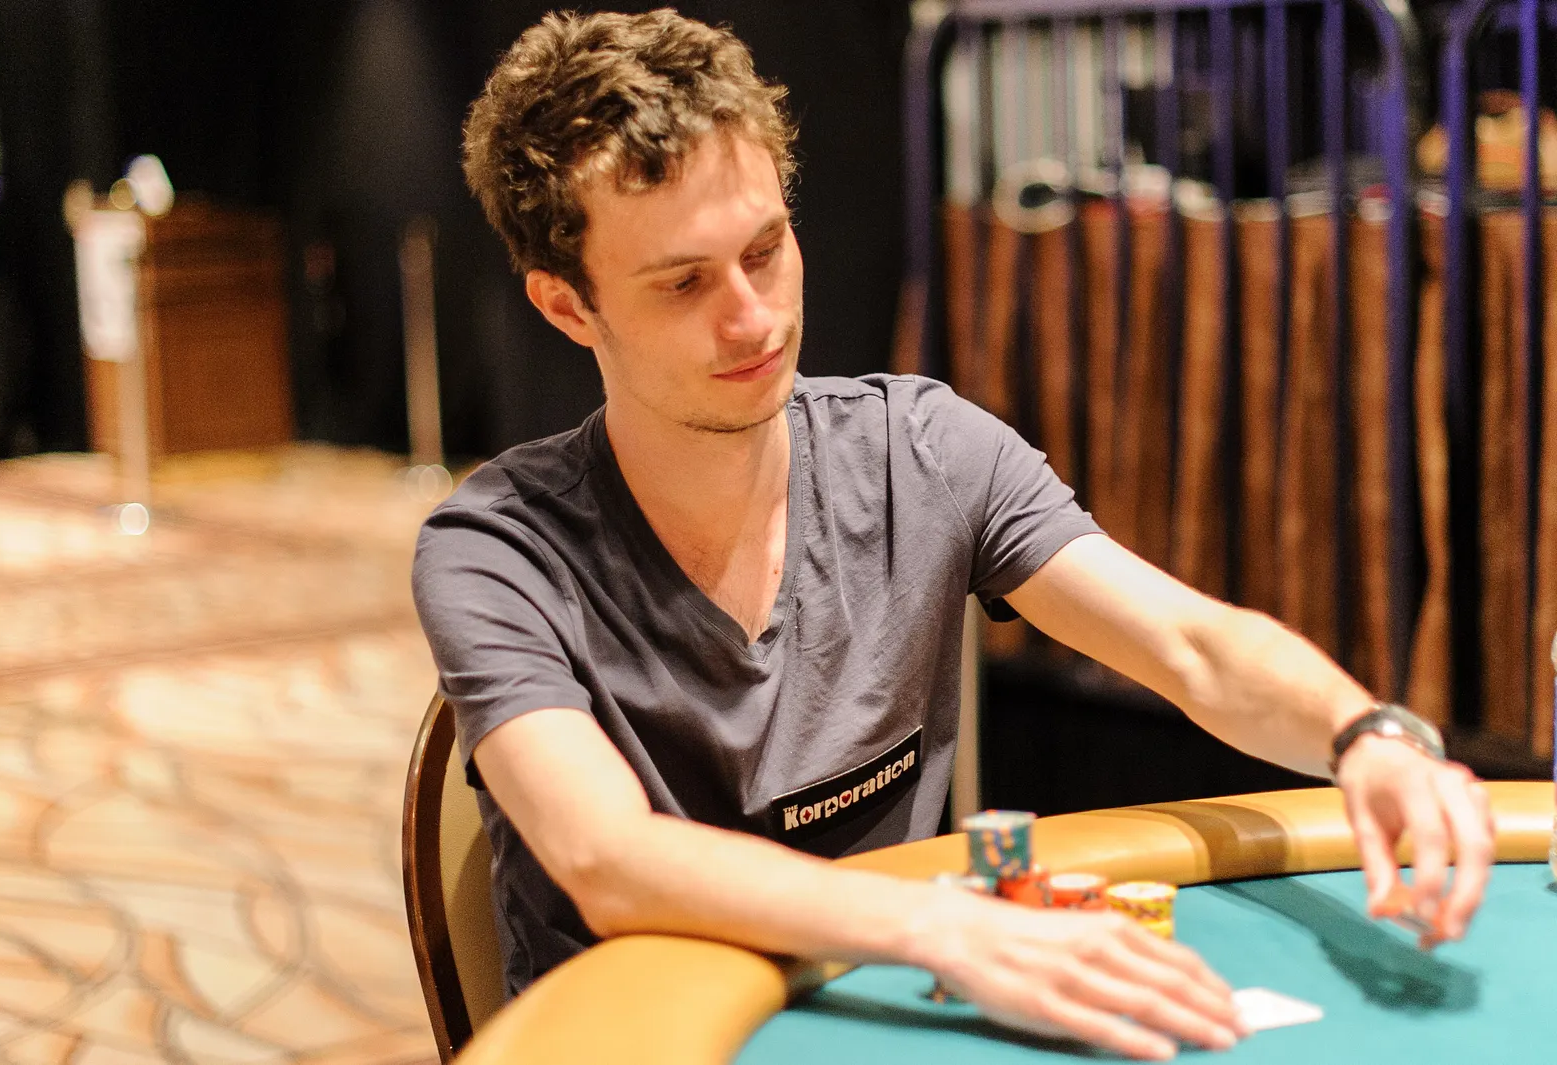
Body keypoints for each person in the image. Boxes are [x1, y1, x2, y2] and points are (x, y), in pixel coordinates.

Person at [413, 9, 1494, 1060]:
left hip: (881, 1016)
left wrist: (1364, 733)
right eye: (684, 282)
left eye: (766, 249)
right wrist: (951, 926)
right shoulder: (497, 550)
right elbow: (607, 857)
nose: (753, 316)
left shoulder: (921, 449)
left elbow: (1193, 647)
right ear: (567, 307)